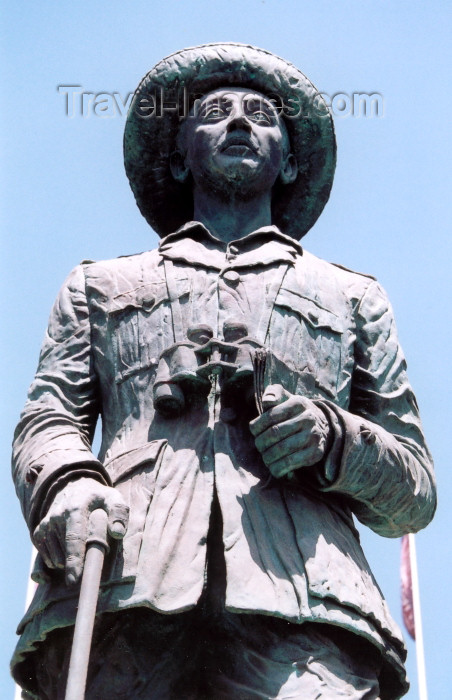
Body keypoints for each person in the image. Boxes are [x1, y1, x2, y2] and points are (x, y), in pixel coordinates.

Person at [11, 43, 436, 699]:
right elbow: (49, 419)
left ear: (291, 161)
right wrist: (66, 485)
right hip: (125, 593)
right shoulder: (100, 286)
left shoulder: (351, 298)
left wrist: (332, 439)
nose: (240, 123)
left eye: (262, 117)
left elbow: (414, 494)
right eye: (216, 113)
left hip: (311, 611)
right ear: (179, 155)